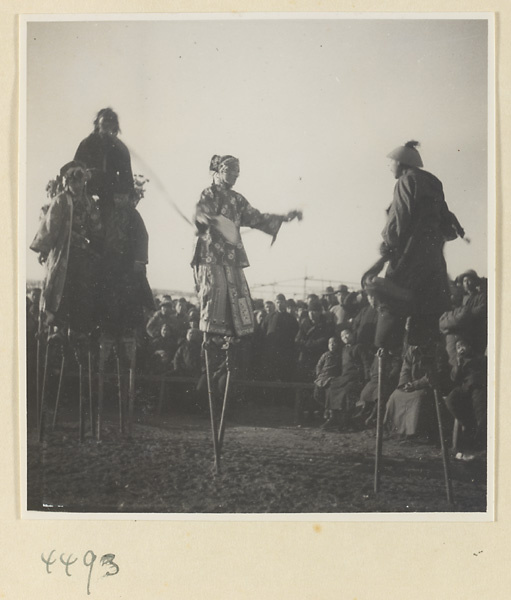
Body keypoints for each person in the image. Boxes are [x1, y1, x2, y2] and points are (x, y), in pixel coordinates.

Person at [364, 140, 463, 350]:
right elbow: (449, 226)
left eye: (391, 162)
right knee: (425, 333)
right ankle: (429, 376)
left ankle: (387, 367)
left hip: (408, 260)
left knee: (387, 330)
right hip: (434, 263)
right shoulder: (433, 184)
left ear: (401, 163)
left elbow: (398, 220)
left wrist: (387, 244)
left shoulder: (406, 181)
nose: (389, 166)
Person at [191, 154, 302, 339]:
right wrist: (205, 218)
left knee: (239, 293)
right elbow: (201, 215)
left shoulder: (238, 199)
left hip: (232, 255)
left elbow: (256, 217)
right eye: (232, 172)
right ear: (221, 171)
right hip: (211, 254)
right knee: (215, 291)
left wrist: (283, 217)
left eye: (238, 173)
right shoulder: (209, 193)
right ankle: (212, 337)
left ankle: (237, 340)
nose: (236, 176)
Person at [30, 160, 103, 338]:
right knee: (61, 289)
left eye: (80, 181)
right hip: (63, 252)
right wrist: (44, 250)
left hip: (82, 254)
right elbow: (51, 225)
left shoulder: (88, 203)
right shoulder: (61, 200)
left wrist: (96, 239)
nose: (77, 185)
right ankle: (58, 329)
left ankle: (77, 331)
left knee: (82, 290)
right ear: (67, 182)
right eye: (73, 181)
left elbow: (97, 227)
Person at [74, 107, 134, 220]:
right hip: (86, 193)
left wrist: (122, 198)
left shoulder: (120, 149)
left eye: (111, 123)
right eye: (104, 122)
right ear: (98, 124)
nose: (107, 126)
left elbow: (127, 180)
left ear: (115, 127)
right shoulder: (87, 144)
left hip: (110, 197)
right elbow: (74, 171)